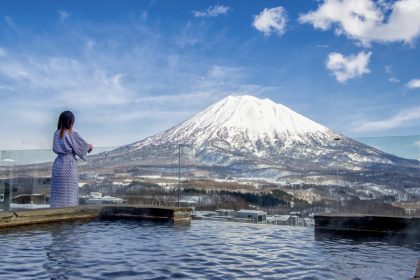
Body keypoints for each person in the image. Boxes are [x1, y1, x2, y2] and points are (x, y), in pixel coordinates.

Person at [50, 111, 93, 208]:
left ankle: (56, 212)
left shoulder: (56, 133)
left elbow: (54, 148)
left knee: (58, 192)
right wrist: (90, 146)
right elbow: (83, 147)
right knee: (69, 192)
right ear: (71, 121)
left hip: (58, 165)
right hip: (68, 165)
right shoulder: (71, 134)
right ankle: (69, 213)